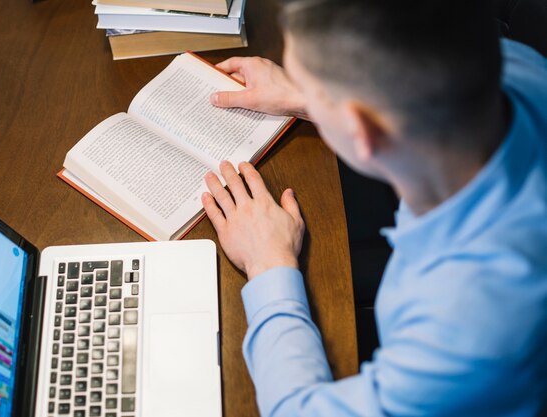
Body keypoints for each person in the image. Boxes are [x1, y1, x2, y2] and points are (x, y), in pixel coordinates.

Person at [200, 1, 547, 416]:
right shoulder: (512, 64)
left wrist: (268, 264)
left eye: (311, 89)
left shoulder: (467, 321)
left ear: (361, 130)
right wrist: (304, 95)